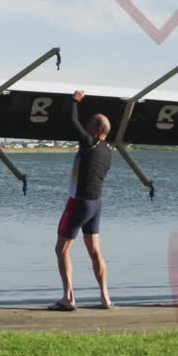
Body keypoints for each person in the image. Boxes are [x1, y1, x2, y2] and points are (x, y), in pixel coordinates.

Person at [50, 90, 113, 311]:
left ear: (98, 130)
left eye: (90, 125)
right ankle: (105, 297)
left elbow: (72, 121)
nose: (85, 127)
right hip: (96, 204)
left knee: (61, 249)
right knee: (94, 250)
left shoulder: (90, 144)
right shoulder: (107, 151)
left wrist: (74, 101)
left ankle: (68, 298)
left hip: (79, 203)